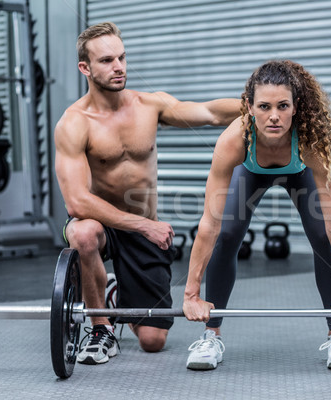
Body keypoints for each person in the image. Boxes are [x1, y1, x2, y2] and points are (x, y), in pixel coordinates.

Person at [54, 22, 240, 366]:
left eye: (122, 57)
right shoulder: (74, 122)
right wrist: (144, 226)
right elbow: (76, 201)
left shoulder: (149, 106)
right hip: (102, 222)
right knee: (82, 232)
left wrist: (259, 103)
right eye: (107, 60)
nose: (119, 67)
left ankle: (111, 291)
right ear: (85, 68)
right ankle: (100, 329)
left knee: (153, 342)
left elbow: (211, 113)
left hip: (143, 224)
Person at [182, 60, 331, 370]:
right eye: (264, 106)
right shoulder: (234, 139)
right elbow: (209, 223)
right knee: (225, 234)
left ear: (296, 108)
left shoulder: (311, 145)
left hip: (299, 172)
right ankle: (211, 334)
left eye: (283, 106)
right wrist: (191, 293)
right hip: (250, 172)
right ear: (250, 107)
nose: (274, 116)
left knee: (322, 235)